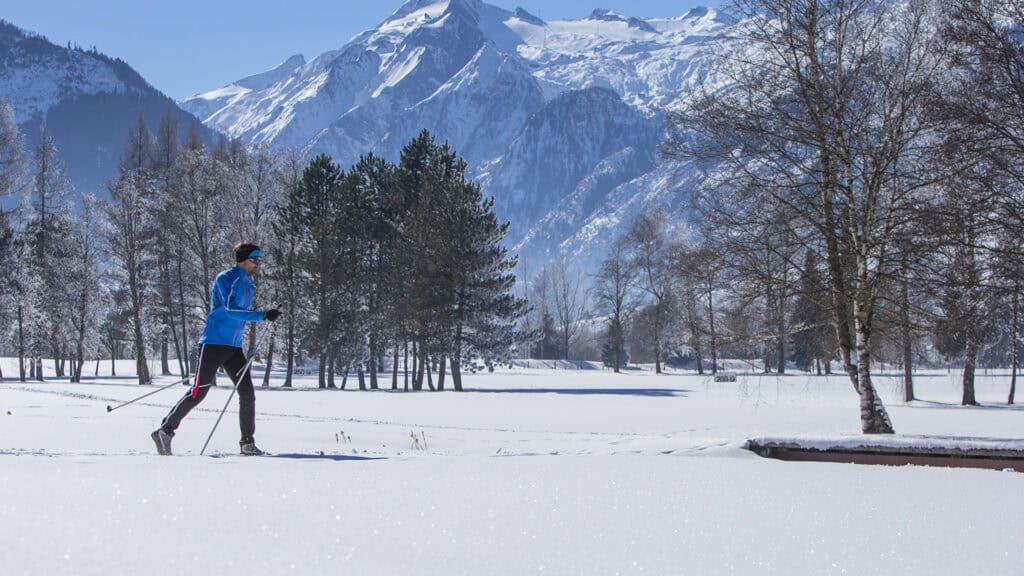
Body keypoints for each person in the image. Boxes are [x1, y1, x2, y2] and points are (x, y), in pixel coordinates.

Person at [151, 242, 281, 456]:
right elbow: (230, 310)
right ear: (242, 259)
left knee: (247, 392)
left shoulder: (249, 283)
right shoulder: (227, 278)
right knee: (198, 392)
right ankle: (165, 431)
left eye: (259, 259)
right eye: (254, 259)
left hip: (233, 346)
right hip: (213, 343)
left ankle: (247, 443)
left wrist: (266, 314)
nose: (258, 263)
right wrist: (261, 315)